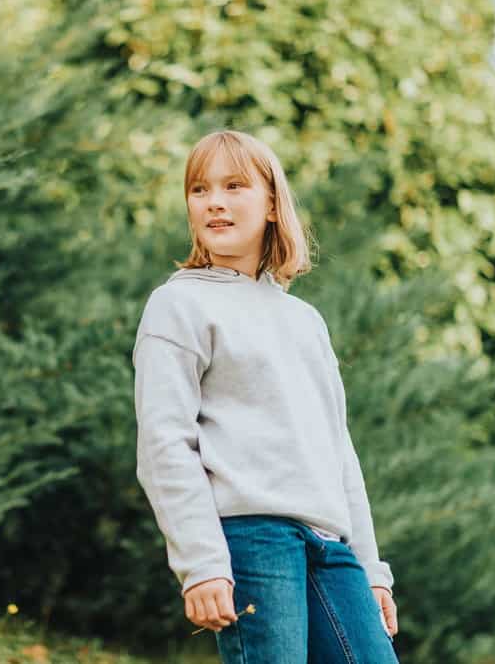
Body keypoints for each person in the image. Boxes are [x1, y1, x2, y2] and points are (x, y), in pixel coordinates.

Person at [132, 129, 399, 663]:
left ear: (272, 202)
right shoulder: (178, 305)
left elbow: (339, 450)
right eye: (200, 189)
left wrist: (371, 571)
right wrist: (202, 562)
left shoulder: (306, 321)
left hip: (330, 545)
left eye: (234, 186)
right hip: (251, 541)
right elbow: (165, 443)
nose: (215, 203)